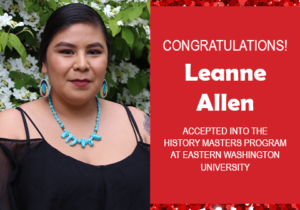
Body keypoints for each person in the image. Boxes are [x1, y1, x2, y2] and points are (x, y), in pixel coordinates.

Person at [0, 3, 150, 210]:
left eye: (94, 52)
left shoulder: (141, 127)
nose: (81, 64)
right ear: (44, 62)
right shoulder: (11, 130)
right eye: (67, 51)